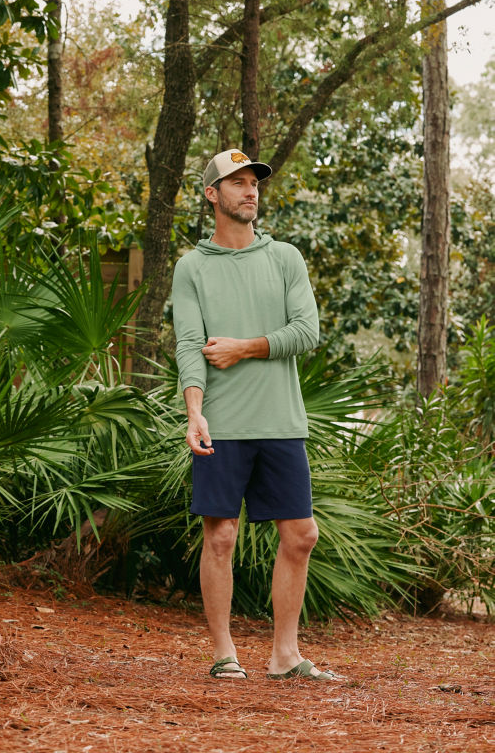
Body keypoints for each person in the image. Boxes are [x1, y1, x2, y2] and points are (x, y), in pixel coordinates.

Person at [171, 148, 340, 682]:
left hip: (280, 422)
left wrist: (244, 347)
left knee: (302, 534)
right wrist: (194, 412)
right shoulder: (192, 266)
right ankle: (225, 654)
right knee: (220, 536)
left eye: (254, 183)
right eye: (237, 183)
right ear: (212, 195)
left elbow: (306, 333)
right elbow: (190, 344)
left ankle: (284, 655)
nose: (250, 191)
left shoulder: (285, 258)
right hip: (221, 421)